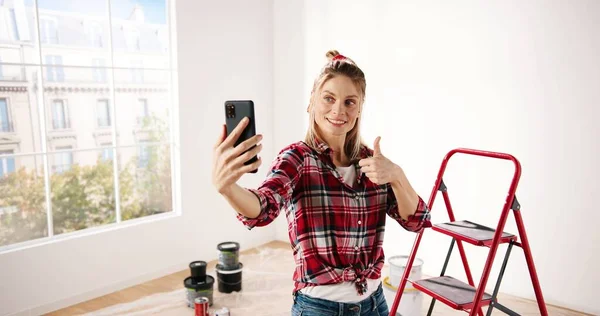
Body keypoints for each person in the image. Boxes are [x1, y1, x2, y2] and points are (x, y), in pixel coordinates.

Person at [212, 50, 431, 316]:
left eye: (350, 102)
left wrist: (397, 175)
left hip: (375, 303)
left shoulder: (373, 162)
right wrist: (228, 188)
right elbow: (263, 207)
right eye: (329, 98)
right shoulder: (297, 158)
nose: (339, 110)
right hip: (320, 307)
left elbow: (415, 220)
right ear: (312, 102)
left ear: (360, 108)